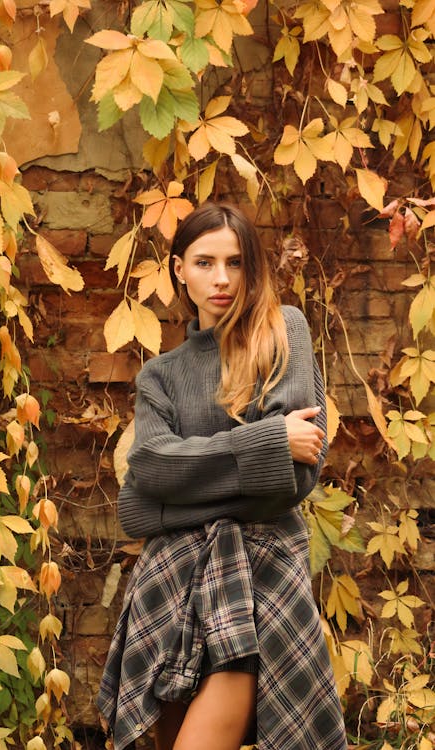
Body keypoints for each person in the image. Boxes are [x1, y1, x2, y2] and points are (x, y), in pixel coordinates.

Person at [97, 203, 348, 750]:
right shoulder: (159, 377)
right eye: (205, 262)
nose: (221, 279)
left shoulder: (284, 332)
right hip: (171, 581)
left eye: (235, 263)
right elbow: (144, 482)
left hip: (262, 577)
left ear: (251, 267)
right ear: (178, 269)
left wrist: (175, 495)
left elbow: (293, 484)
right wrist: (265, 440)